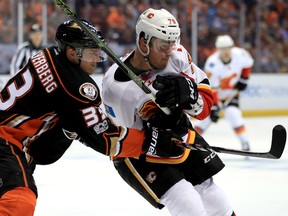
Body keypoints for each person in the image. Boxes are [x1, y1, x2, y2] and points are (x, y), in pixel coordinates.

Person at [0, 19, 179, 216]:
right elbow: (106, 139)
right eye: (91, 51)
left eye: (98, 50)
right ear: (71, 52)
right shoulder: (78, 87)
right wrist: (151, 141)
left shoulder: (48, 54)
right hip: (6, 141)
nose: (97, 58)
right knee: (18, 200)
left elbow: (58, 133)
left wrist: (78, 128)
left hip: (14, 140)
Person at [102, 8, 236, 216]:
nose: (170, 50)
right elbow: (118, 141)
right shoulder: (115, 88)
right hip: (139, 155)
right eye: (163, 45)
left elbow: (204, 106)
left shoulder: (177, 55)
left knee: (215, 200)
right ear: (144, 42)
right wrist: (154, 140)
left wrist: (191, 97)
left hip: (178, 131)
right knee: (189, 205)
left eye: (173, 43)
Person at [193, 34, 254, 151]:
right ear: (218, 49)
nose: (226, 51)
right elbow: (211, 88)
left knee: (234, 115)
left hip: (231, 94)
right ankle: (192, 142)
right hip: (214, 97)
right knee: (204, 121)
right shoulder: (212, 63)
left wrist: (243, 79)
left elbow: (248, 64)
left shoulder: (241, 54)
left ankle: (245, 143)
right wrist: (215, 106)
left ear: (232, 47)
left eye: (228, 48)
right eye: (222, 49)